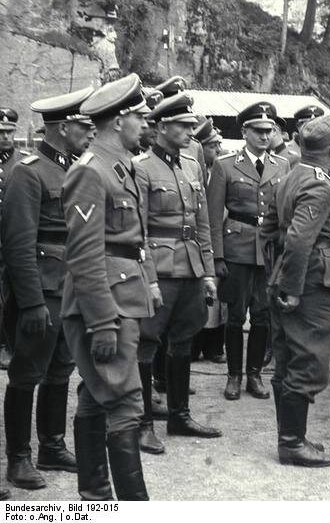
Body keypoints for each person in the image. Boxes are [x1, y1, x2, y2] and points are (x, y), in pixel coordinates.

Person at [61, 73, 157, 501]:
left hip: (121, 297)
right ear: (119, 121)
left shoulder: (121, 167)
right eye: (140, 117)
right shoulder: (92, 172)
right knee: (125, 402)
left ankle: (95, 499)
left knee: (97, 396)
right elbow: (83, 256)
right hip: (105, 305)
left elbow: (132, 241)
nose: (146, 125)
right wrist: (102, 322)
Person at [1, 87, 94, 490]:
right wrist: (32, 302)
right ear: (61, 127)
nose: (90, 134)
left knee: (60, 370)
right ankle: (18, 458)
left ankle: (52, 445)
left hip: (71, 288)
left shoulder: (77, 168)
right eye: (83, 126)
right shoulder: (29, 171)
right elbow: (18, 245)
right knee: (26, 374)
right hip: (42, 290)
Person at [133, 93, 222, 455]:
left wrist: (209, 273)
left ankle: (179, 415)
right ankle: (142, 423)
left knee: (184, 338)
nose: (190, 131)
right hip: (160, 267)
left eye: (190, 125)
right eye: (183, 126)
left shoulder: (192, 166)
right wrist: (149, 278)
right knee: (147, 341)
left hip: (191, 268)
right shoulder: (140, 167)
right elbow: (137, 230)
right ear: (161, 127)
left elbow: (202, 225)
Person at [263, 114, 330, 467]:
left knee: (287, 359)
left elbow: (269, 229)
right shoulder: (319, 184)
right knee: (309, 360)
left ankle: (291, 437)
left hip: (290, 276)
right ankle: (292, 443)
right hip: (310, 283)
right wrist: (294, 289)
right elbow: (299, 239)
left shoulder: (289, 175)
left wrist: (279, 276)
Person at [207, 101, 290, 400]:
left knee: (263, 315)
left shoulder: (282, 166)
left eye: (269, 131)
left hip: (268, 249)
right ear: (245, 132)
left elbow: (285, 213)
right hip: (237, 248)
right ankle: (234, 375)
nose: (265, 136)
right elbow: (214, 216)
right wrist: (217, 256)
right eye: (258, 131)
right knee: (234, 315)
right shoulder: (225, 165)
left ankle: (254, 374)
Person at [190, 116, 227, 364]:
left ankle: (214, 345)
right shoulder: (198, 171)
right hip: (199, 239)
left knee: (217, 301)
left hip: (218, 238)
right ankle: (197, 344)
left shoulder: (220, 170)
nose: (218, 150)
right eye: (212, 146)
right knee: (200, 298)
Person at [0, 107, 28, 371]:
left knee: (13, 293)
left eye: (9, 132)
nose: (5, 137)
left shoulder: (23, 162)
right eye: (1, 132)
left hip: (13, 237)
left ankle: (10, 344)